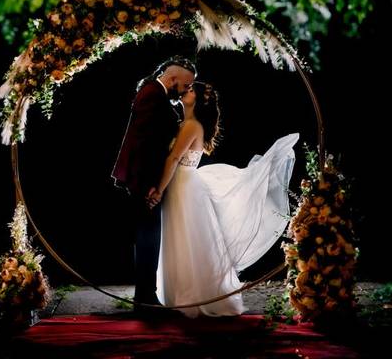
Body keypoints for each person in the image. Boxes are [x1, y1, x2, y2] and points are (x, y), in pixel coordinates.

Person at [153, 81, 298, 317]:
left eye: (190, 90)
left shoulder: (191, 126)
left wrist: (158, 189)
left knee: (185, 238)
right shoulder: (186, 124)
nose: (184, 91)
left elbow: (172, 160)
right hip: (184, 185)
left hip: (183, 187)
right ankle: (181, 292)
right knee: (185, 239)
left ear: (197, 100)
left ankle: (189, 294)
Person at [111, 56, 197, 311]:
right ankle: (145, 297)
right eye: (185, 84)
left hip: (142, 176)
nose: (186, 90)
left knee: (148, 236)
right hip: (143, 178)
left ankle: (145, 295)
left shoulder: (152, 93)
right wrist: (151, 185)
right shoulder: (152, 95)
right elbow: (144, 145)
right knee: (148, 237)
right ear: (173, 79)